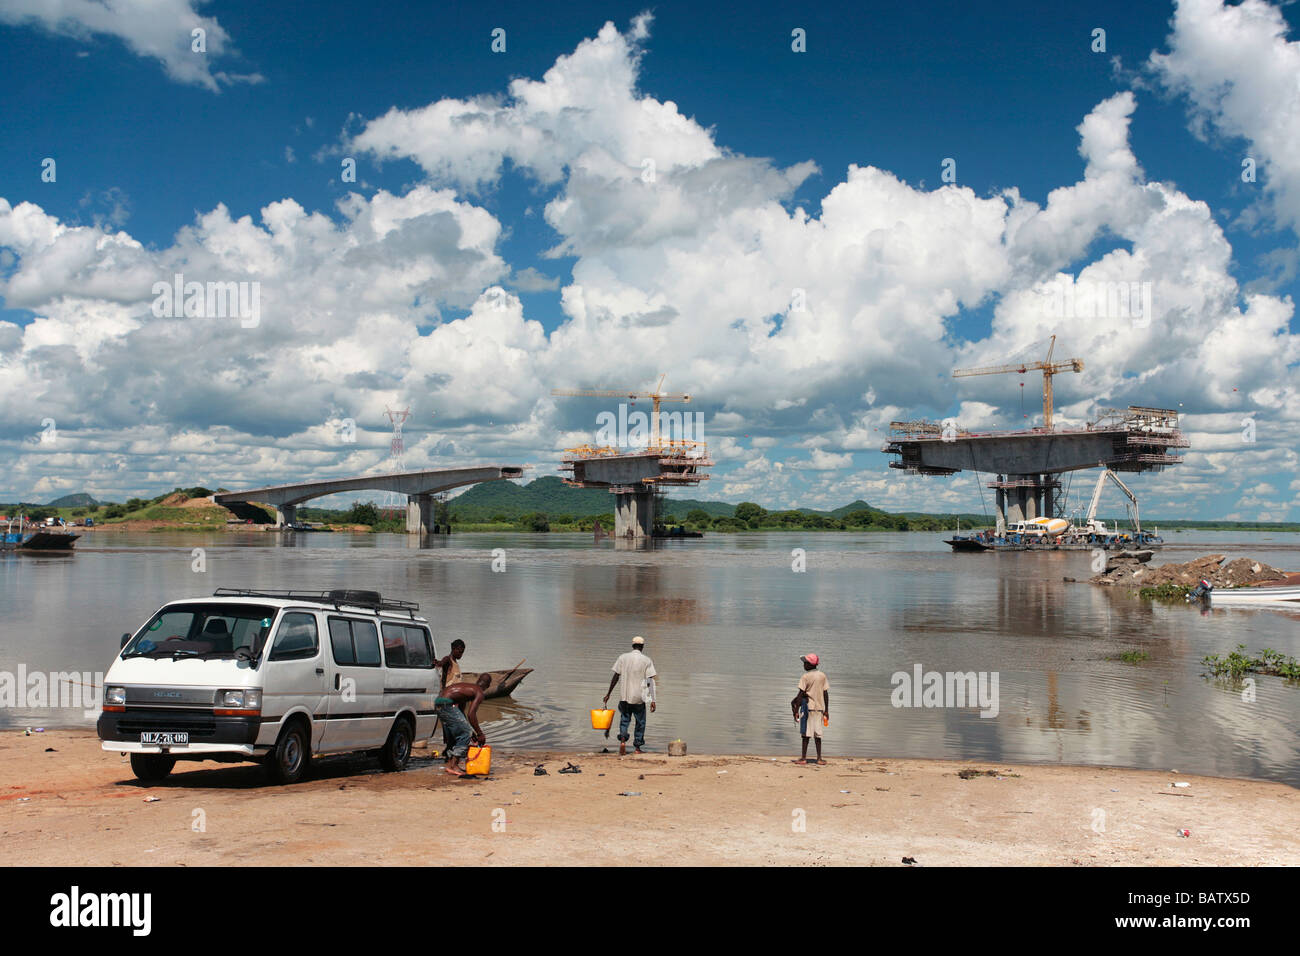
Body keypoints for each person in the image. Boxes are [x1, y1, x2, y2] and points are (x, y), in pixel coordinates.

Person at [603, 635, 657, 756]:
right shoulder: (647, 660)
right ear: (642, 646)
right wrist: (653, 700)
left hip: (625, 696)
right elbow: (650, 681)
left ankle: (622, 741)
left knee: (624, 720)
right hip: (639, 697)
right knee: (640, 722)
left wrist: (608, 694)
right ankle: (637, 747)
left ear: (632, 646)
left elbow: (616, 677)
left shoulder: (623, 658)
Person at [434, 673, 491, 777]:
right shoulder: (479, 692)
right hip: (447, 703)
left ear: (478, 681)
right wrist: (479, 734)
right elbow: (471, 714)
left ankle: (450, 763)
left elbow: (461, 714)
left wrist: (471, 729)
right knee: (465, 734)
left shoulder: (467, 689)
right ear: (487, 686)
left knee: (455, 732)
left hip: (438, 701)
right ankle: (454, 766)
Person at [790, 653, 829, 765]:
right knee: (818, 735)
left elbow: (800, 694)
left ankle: (803, 758)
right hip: (819, 709)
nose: (804, 665)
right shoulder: (822, 675)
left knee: (805, 735)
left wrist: (796, 711)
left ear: (809, 665)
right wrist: (826, 710)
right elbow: (826, 693)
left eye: (805, 663)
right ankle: (819, 758)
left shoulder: (805, 677)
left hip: (808, 708)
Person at [434, 639, 466, 758]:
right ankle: (450, 751)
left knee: (452, 727)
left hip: (454, 700)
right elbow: (442, 662)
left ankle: (449, 750)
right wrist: (437, 663)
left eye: (463, 652)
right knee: (452, 727)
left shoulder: (456, 663)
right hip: (448, 700)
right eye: (460, 651)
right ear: (454, 649)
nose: (461, 654)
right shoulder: (448, 660)